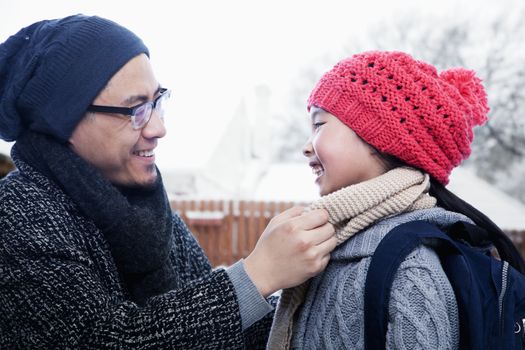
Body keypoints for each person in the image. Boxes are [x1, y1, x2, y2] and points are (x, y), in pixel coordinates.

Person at [0, 14, 337, 349]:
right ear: (63, 119)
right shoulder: (17, 214)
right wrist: (255, 276)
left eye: (157, 102)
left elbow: (225, 332)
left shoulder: (155, 217)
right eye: (135, 110)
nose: (158, 128)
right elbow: (102, 339)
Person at [266, 50, 525, 349]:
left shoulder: (409, 269)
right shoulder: (332, 246)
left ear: (379, 137)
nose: (306, 147)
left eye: (319, 125)